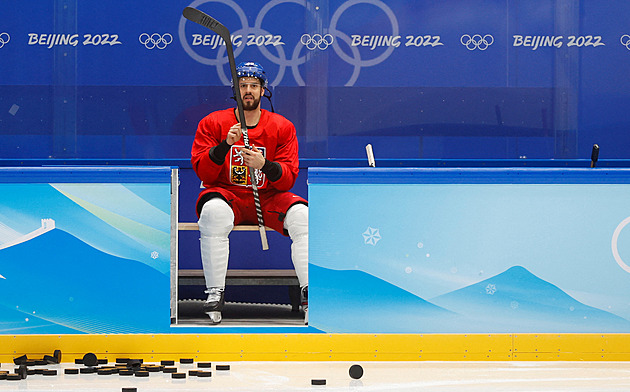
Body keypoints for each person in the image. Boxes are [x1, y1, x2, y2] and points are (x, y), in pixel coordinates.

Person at [191, 61, 308, 325]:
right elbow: (204, 172)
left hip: (267, 198)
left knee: (301, 215)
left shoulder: (282, 126)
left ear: (263, 90)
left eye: (253, 85)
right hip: (228, 195)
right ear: (235, 89)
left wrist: (264, 165)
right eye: (242, 85)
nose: (248, 90)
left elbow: (288, 178)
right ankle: (214, 293)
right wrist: (225, 145)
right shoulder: (213, 122)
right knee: (213, 212)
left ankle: (308, 293)